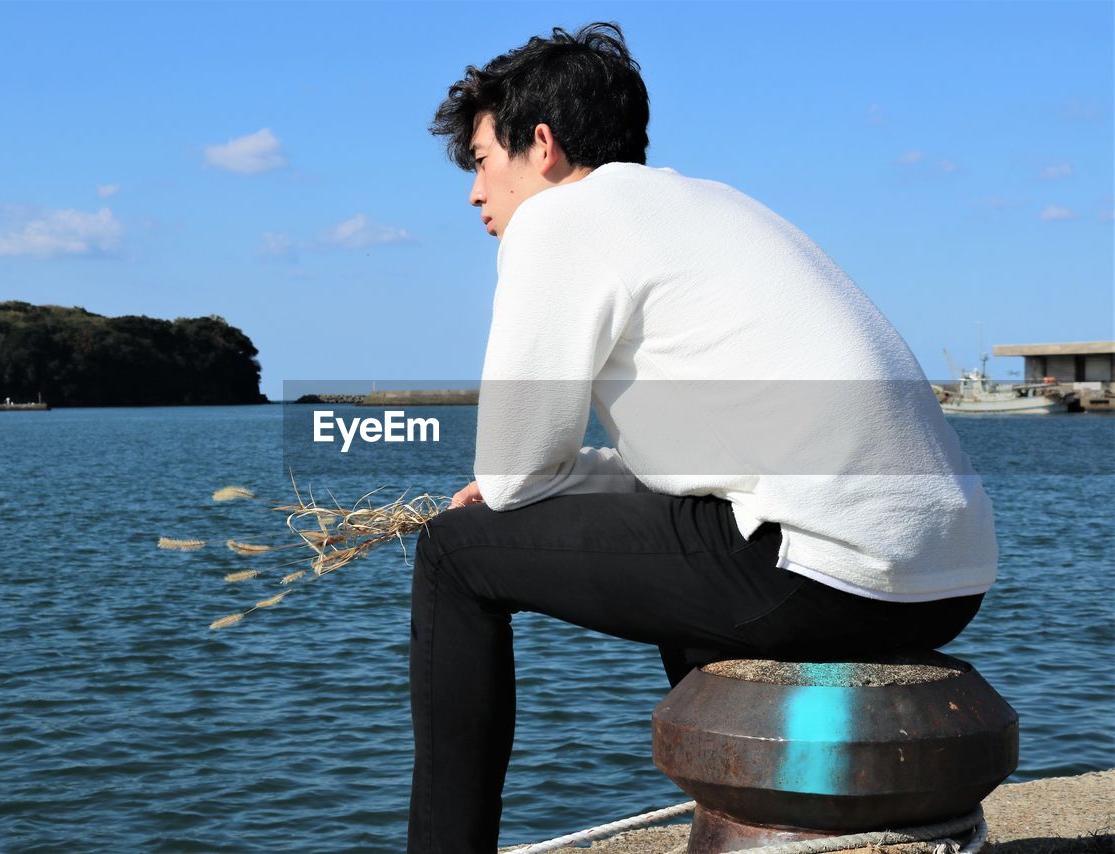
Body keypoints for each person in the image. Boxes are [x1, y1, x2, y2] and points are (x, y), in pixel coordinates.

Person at [410, 22, 996, 854]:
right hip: (947, 581)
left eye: (479, 161)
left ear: (541, 145)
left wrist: (508, 492)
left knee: (452, 555)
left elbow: (510, 472)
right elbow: (693, 466)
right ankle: (762, 817)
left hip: (824, 572)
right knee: (682, 533)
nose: (475, 193)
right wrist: (571, 477)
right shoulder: (715, 206)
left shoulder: (561, 221)